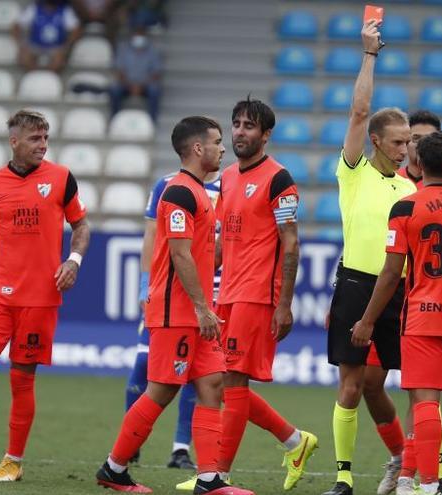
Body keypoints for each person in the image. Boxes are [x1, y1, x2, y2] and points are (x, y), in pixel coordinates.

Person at [94, 116, 252, 495]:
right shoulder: (180, 192)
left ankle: (210, 480)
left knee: (212, 384)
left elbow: (199, 254)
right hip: (175, 313)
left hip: (194, 313)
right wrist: (201, 307)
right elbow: (180, 256)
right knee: (162, 390)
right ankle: (114, 469)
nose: (222, 148)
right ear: (198, 148)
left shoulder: (197, 193)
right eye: (216, 141)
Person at [175, 97, 318, 492]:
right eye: (236, 124)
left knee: (231, 381)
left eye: (249, 126)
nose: (239, 131)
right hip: (230, 293)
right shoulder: (228, 178)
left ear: (266, 135)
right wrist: (203, 286)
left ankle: (217, 474)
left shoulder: (279, 180)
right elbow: (222, 242)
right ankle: (294, 440)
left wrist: (284, 304)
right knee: (221, 380)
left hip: (258, 294)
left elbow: (291, 243)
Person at [0, 109, 90, 482]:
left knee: (21, 379)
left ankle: (13, 460)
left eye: (45, 138)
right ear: (15, 142)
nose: (42, 145)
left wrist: (73, 261)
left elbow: (81, 226)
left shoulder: (61, 178)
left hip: (41, 296)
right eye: (34, 139)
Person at [352, 131, 442, 495]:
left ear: (419, 164)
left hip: (422, 316)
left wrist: (368, 319)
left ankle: (428, 484)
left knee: (426, 400)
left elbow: (390, 273)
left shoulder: (406, 208)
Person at [323, 19, 417, 495]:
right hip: (357, 284)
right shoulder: (354, 171)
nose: (406, 150)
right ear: (377, 140)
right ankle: (343, 476)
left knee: (406, 385)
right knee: (353, 385)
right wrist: (369, 55)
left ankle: (412, 465)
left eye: (409, 142)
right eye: (399, 142)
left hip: (400, 291)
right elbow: (359, 112)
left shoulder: (410, 188)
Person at [123, 168, 222, 469]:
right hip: (168, 295)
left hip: (211, 290)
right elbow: (152, 235)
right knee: (145, 364)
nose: (221, 148)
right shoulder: (168, 185)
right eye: (215, 142)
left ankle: (181, 450)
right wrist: (144, 283)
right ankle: (130, 446)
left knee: (203, 376)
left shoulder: (228, 185)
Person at [12, 0, 83, 73]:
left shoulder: (64, 10)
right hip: (35, 45)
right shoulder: (34, 8)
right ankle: (34, 74)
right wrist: (21, 44)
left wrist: (67, 46)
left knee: (59, 59)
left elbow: (76, 29)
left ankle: (49, 75)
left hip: (56, 47)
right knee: (24, 57)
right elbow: (16, 26)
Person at [110, 25, 163, 122]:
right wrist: (130, 85)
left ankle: (152, 121)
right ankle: (114, 119)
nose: (139, 38)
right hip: (126, 84)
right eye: (137, 35)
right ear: (132, 36)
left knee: (154, 91)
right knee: (114, 90)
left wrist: (141, 86)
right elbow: (119, 71)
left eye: (141, 35)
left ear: (145, 36)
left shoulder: (152, 51)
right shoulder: (123, 49)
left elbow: (156, 73)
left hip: (145, 85)